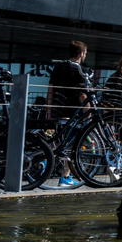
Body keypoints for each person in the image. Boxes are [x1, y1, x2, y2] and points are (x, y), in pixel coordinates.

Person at [46, 40, 91, 189]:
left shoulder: (58, 68)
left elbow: (50, 89)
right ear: (81, 54)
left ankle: (61, 172)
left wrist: (49, 110)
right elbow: (83, 94)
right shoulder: (80, 70)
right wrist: (88, 113)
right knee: (72, 144)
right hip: (74, 110)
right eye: (85, 53)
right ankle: (64, 175)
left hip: (59, 109)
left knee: (61, 142)